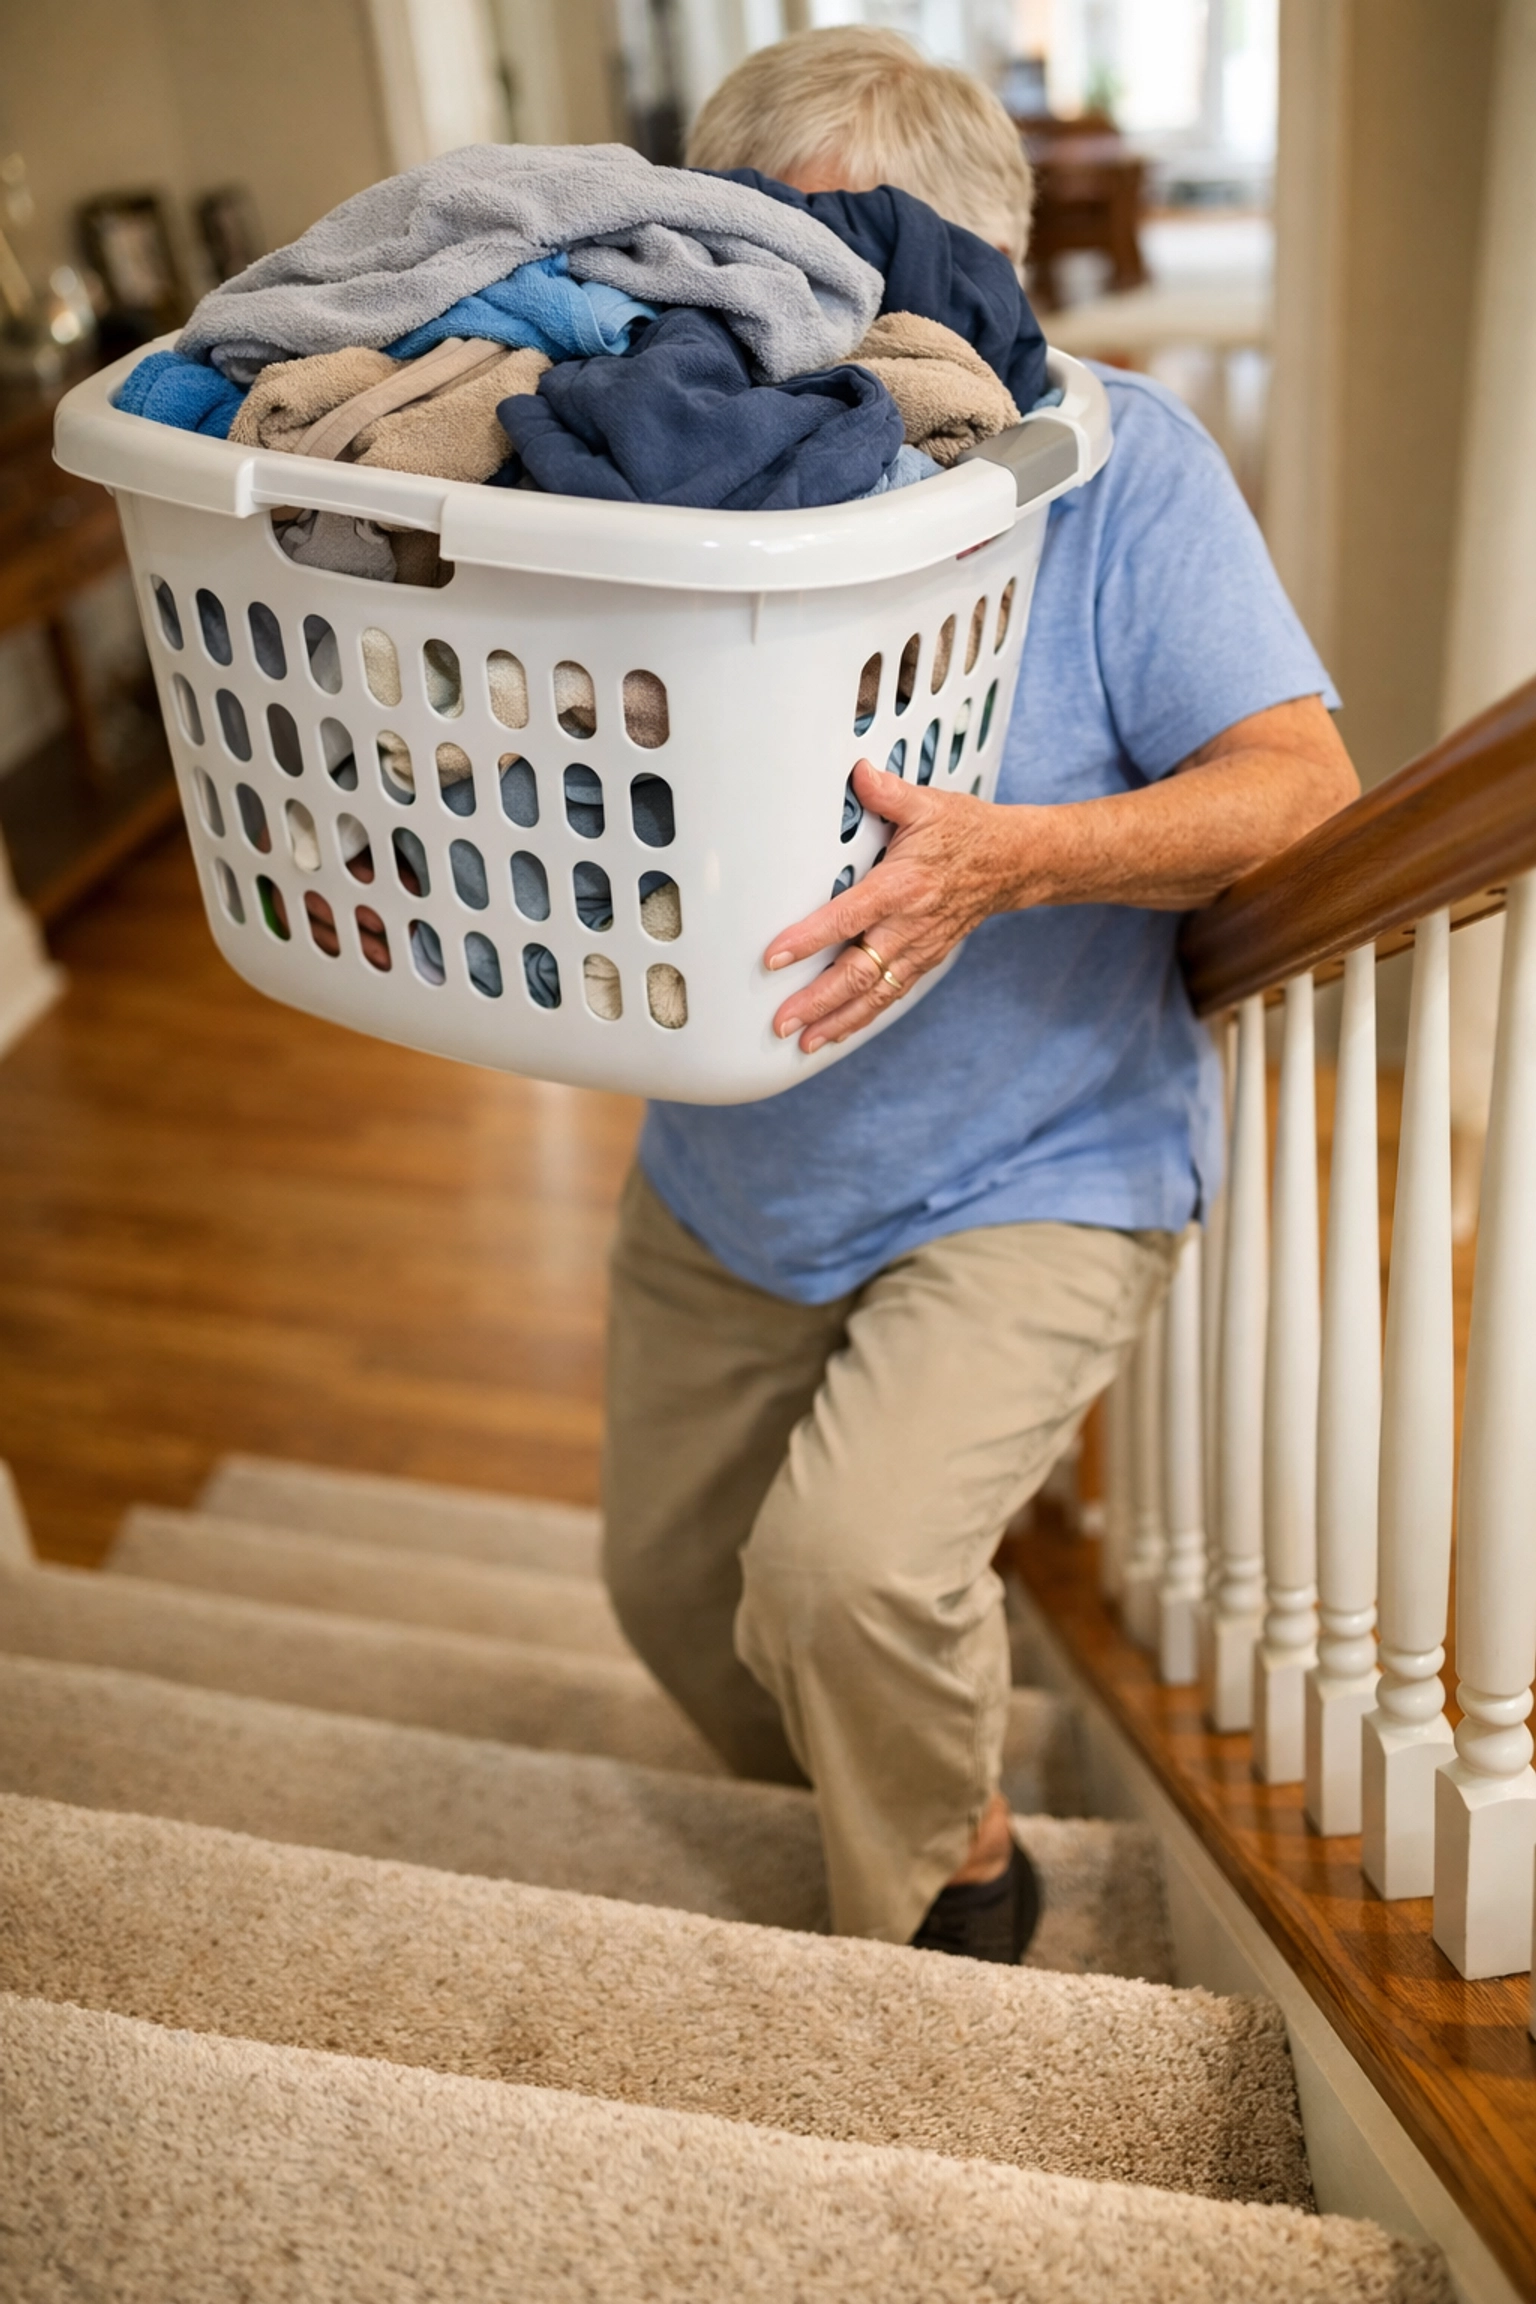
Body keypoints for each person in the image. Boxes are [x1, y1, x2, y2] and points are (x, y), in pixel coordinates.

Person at [602, 27, 1356, 1964]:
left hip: (1043, 1149)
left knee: (849, 1575)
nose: (842, 333)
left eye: (900, 277)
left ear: (995, 281)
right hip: (735, 1164)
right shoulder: (646, 457)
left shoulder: (1128, 470)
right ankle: (919, 1797)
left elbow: (1300, 793)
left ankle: (955, 1900)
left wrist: (1010, 855)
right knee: (679, 1599)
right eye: (780, 265)